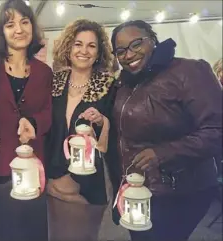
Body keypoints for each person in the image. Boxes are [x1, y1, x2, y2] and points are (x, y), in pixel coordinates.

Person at [110, 20, 222, 241]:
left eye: (136, 44)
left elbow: (217, 129)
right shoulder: (126, 83)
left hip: (180, 191)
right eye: (121, 51)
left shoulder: (188, 71)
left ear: (152, 40)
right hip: (138, 188)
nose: (129, 55)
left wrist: (163, 153)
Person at [45, 19, 115, 241]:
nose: (84, 51)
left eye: (91, 45)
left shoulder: (109, 85)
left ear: (99, 52)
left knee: (83, 235)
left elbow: (119, 129)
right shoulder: (54, 82)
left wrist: (102, 120)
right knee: (56, 234)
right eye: (78, 44)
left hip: (89, 182)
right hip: (54, 176)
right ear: (68, 47)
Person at [0, 0, 52, 240]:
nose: (19, 29)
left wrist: (34, 123)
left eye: (24, 22)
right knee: (4, 231)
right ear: (1, 31)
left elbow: (49, 112)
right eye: (10, 24)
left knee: (34, 230)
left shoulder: (44, 72)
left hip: (34, 167)